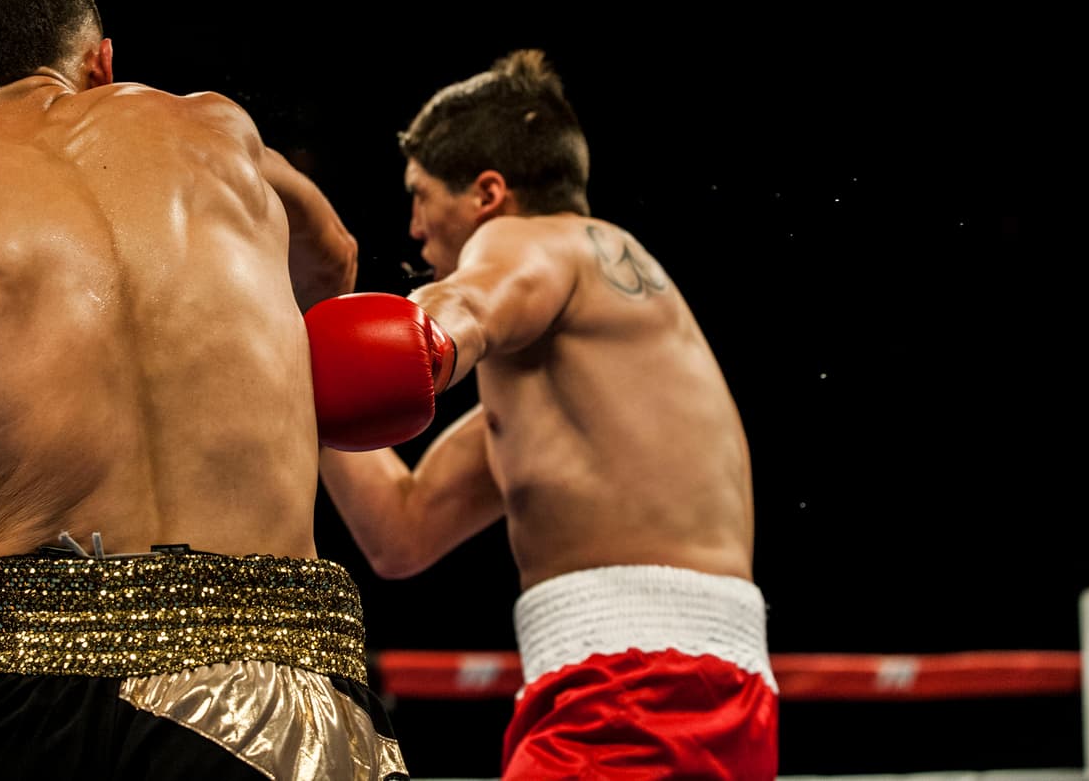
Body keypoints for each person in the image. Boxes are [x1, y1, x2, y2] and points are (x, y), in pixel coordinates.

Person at [0, 0, 411, 780]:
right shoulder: (217, 130)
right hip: (281, 708)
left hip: (44, 708)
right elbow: (333, 256)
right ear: (101, 64)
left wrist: (34, 569)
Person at [310, 49, 779, 779]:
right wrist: (290, 358)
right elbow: (403, 532)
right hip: (711, 693)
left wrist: (402, 335)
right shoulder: (587, 386)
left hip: (633, 689)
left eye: (421, 195)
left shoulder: (536, 238)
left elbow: (466, 309)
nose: (414, 228)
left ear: (487, 194)